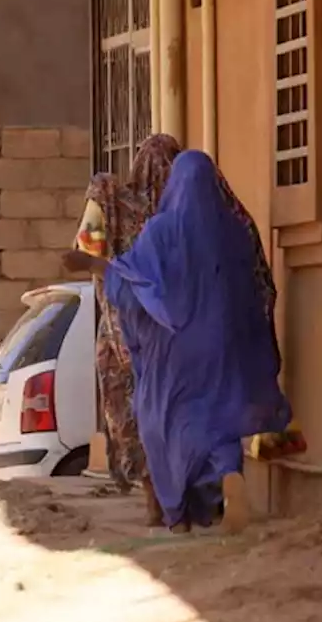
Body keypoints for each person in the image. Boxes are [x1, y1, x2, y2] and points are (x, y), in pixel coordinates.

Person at [65, 151, 292, 535]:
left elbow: (136, 284)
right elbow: (256, 289)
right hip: (222, 346)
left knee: (165, 422)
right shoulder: (234, 233)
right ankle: (228, 475)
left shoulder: (161, 231)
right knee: (218, 422)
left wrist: (92, 265)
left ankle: (175, 511)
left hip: (172, 350)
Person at [73, 134, 182, 526]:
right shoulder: (179, 215)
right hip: (166, 335)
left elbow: (87, 250)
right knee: (160, 413)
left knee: (131, 412)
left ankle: (154, 492)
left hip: (121, 331)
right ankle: (167, 496)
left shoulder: (115, 202)